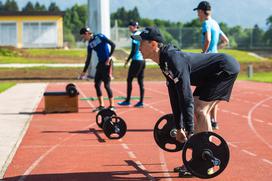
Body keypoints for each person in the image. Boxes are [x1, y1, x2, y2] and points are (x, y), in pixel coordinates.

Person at [132, 26, 239, 176]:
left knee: (200, 110)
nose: (138, 47)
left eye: (141, 43)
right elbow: (175, 96)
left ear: (153, 44)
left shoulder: (173, 60)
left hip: (224, 68)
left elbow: (186, 96)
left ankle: (205, 160)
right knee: (199, 110)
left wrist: (188, 130)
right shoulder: (164, 62)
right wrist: (179, 126)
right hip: (210, 75)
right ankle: (201, 157)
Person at [194, 1, 230, 130]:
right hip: (216, 60)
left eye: (198, 11)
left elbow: (208, 39)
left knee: (200, 96)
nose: (197, 14)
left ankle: (203, 123)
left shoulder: (206, 24)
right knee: (212, 93)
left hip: (208, 61)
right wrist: (216, 50)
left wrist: (203, 53)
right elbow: (226, 41)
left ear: (203, 11)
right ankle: (214, 121)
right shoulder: (215, 23)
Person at [79, 27, 116, 112]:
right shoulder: (90, 45)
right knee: (96, 84)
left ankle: (112, 105)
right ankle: (101, 105)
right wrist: (84, 71)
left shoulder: (100, 36)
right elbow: (88, 59)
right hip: (100, 64)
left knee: (106, 85)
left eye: (83, 36)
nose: (83, 38)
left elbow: (113, 45)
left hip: (108, 63)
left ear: (87, 33)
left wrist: (109, 57)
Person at [118, 21, 145, 108]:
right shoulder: (142, 34)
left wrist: (127, 60)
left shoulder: (135, 36)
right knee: (140, 82)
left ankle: (128, 100)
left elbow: (133, 50)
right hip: (142, 60)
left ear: (134, 27)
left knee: (129, 80)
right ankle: (141, 102)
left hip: (136, 60)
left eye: (130, 27)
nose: (129, 29)